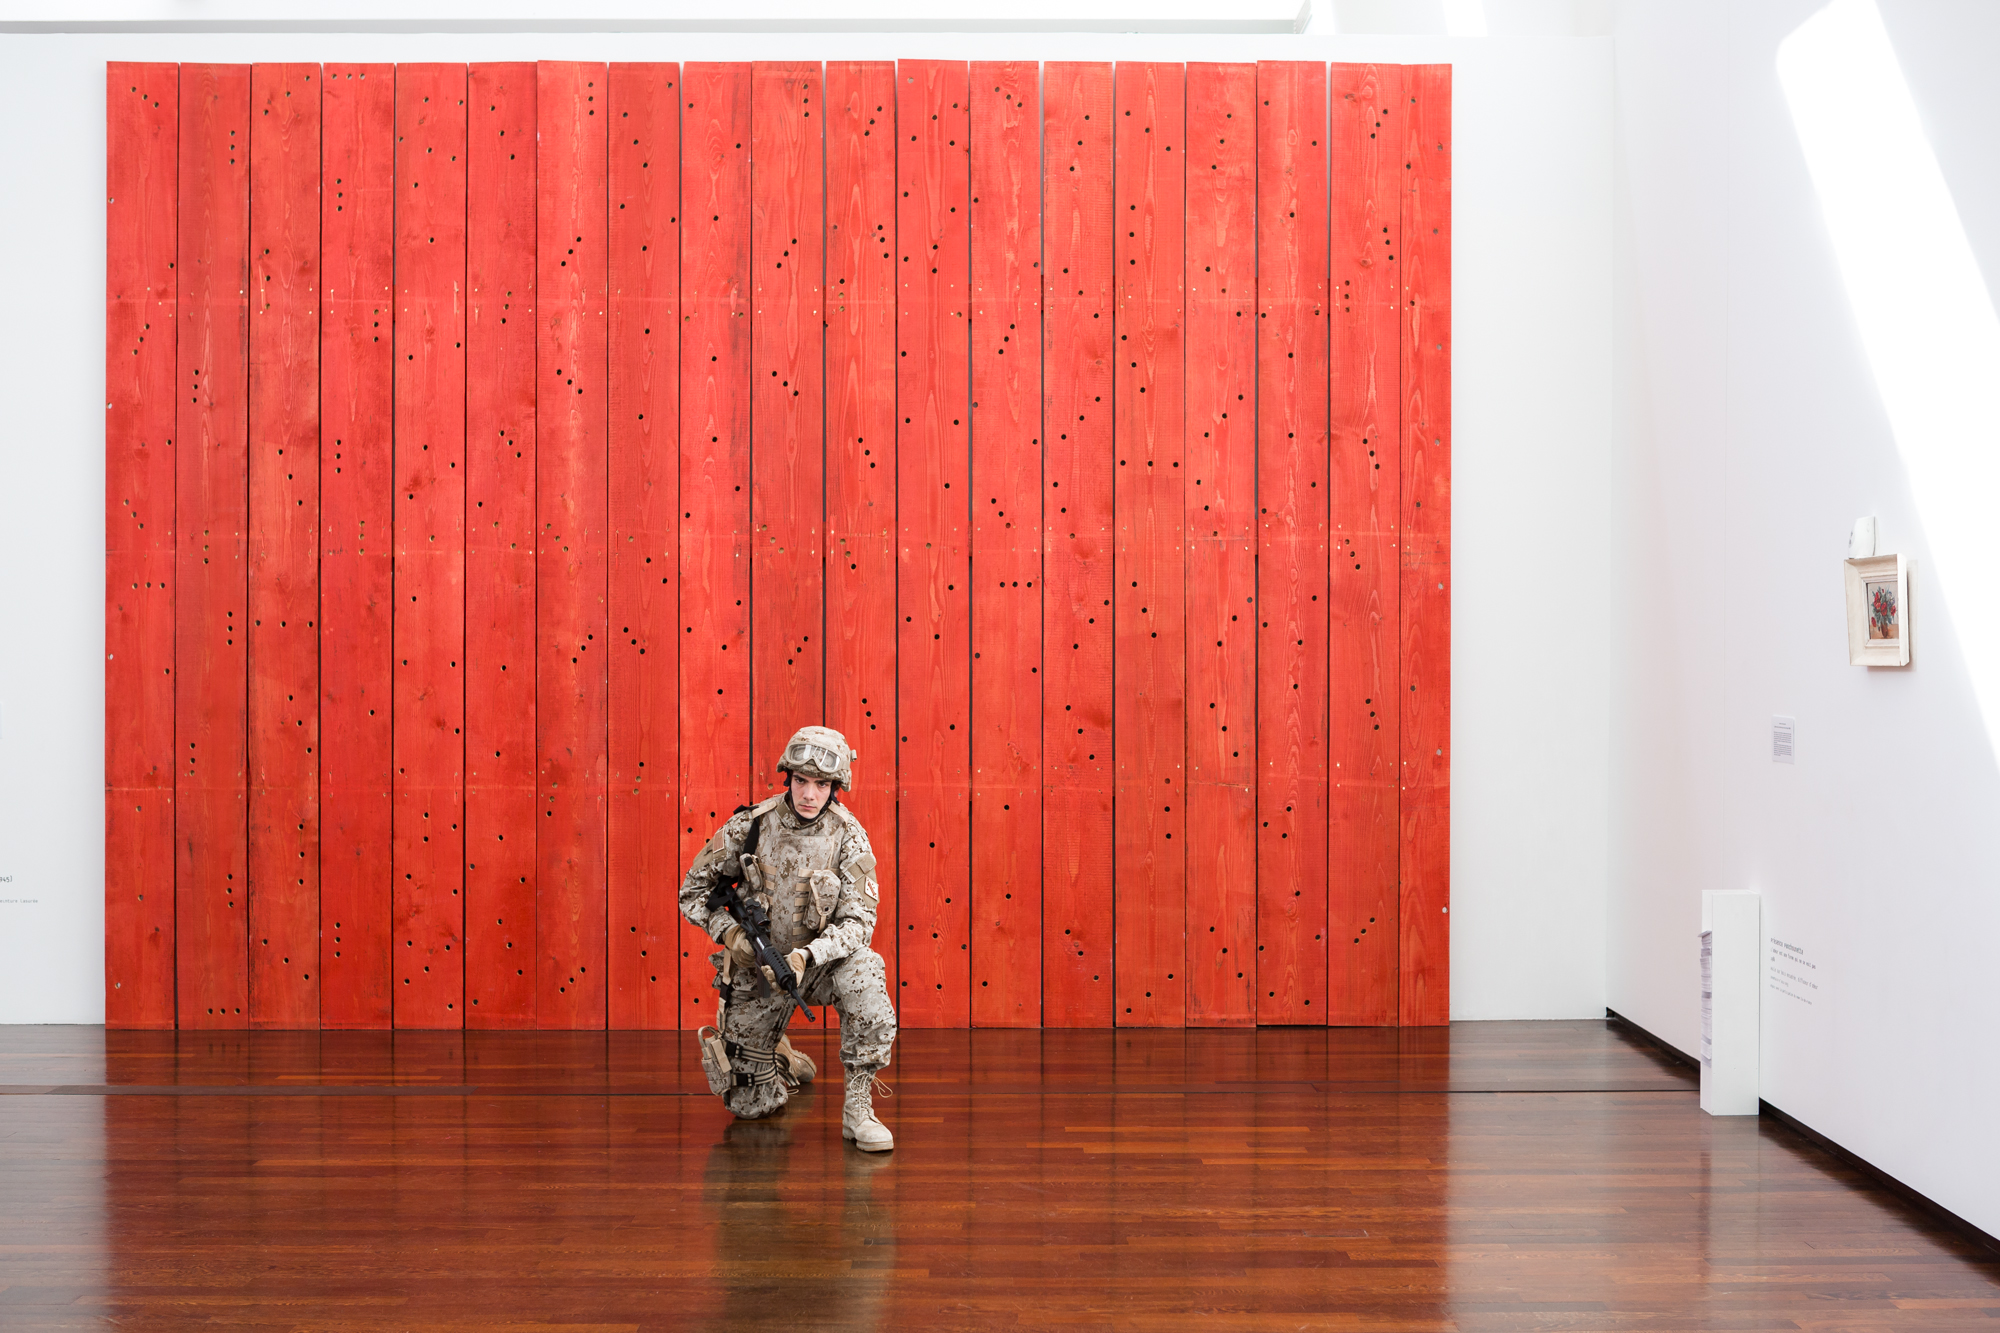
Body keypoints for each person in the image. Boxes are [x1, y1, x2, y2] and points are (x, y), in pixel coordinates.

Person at [679, 725, 896, 1152]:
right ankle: (778, 1053)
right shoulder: (751, 825)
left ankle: (858, 1107)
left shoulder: (848, 835)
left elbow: (859, 922)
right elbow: (693, 892)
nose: (809, 794)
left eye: (821, 785)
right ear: (788, 778)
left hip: (820, 969)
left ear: (835, 787)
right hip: (758, 969)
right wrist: (731, 933)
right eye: (801, 781)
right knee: (750, 1105)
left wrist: (807, 956)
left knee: (866, 973)